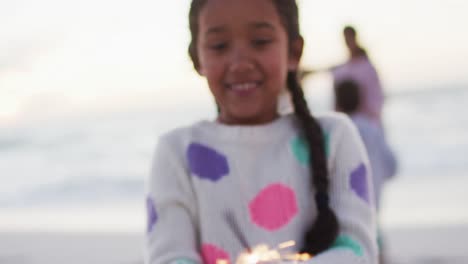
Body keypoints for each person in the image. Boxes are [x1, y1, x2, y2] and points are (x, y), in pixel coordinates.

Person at [145, 1, 378, 263]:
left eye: (260, 41)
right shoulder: (176, 153)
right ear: (197, 58)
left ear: (294, 51)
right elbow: (169, 256)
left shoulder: (335, 138)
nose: (240, 63)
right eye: (220, 46)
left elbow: (357, 251)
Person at [335, 80, 397, 263]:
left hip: (344, 217)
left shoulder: (337, 132)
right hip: (372, 209)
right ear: (361, 101)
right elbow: (392, 167)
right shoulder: (372, 129)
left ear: (337, 102)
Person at [330, 26, 385, 126]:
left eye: (349, 38)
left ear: (355, 37)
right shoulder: (344, 69)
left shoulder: (366, 67)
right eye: (345, 38)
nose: (347, 42)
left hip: (367, 120)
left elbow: (376, 98)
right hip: (351, 121)